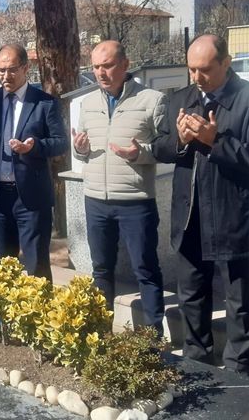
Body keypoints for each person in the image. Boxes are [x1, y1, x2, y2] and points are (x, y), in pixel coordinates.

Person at [151, 34, 249, 374]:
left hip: (236, 214)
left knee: (241, 299)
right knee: (190, 292)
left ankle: (237, 366)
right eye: (191, 69)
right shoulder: (181, 98)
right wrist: (181, 140)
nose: (197, 78)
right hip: (191, 214)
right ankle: (197, 357)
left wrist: (213, 140)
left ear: (226, 63)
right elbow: (159, 147)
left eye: (205, 69)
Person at [72, 41, 166, 332]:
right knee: (100, 270)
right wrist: (80, 150)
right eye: (96, 67)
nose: (101, 72)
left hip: (135, 202)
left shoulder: (152, 99)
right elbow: (82, 152)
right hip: (96, 200)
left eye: (108, 65)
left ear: (125, 64)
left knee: (146, 270)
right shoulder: (87, 104)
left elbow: (167, 147)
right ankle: (100, 332)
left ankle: (151, 339)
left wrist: (140, 153)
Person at [0, 43, 68, 280]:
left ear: (26, 68)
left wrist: (34, 147)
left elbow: (61, 143)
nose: (6, 76)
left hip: (31, 197)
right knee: (3, 267)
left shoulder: (44, 103)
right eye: (1, 70)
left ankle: (41, 315)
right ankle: (5, 315)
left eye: (12, 69)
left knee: (36, 266)